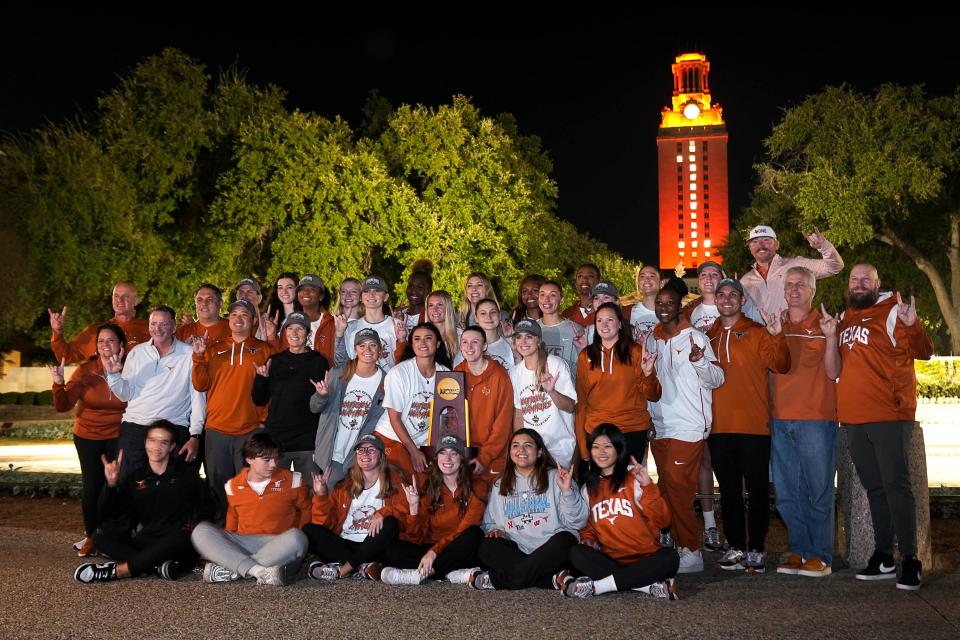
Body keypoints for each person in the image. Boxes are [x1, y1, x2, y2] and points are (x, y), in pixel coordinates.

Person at [835, 263, 934, 591]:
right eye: (854, 279)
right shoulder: (847, 315)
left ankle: (911, 559)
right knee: (875, 488)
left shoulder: (894, 310)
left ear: (878, 283)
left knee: (896, 486)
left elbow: (925, 352)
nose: (859, 283)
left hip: (889, 414)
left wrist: (913, 324)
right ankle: (884, 555)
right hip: (853, 417)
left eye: (867, 279)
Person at [706, 278, 790, 574]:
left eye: (733, 295)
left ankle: (755, 548)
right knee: (728, 491)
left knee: (756, 491)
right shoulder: (708, 335)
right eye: (721, 295)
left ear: (742, 301)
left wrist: (777, 336)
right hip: (719, 428)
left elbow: (781, 365)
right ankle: (735, 546)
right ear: (715, 301)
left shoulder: (757, 332)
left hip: (754, 426)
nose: (727, 299)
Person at [646, 279, 725, 573]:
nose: (664, 308)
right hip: (660, 426)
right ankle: (670, 543)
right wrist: (648, 417)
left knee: (679, 490)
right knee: (665, 488)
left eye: (669, 303)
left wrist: (700, 361)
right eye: (659, 303)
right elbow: (650, 381)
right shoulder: (652, 339)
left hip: (689, 426)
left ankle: (691, 551)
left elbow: (717, 379)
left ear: (680, 306)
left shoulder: (695, 337)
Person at [771, 267, 840, 578]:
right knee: (787, 491)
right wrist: (772, 337)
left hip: (816, 418)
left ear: (813, 291)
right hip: (780, 419)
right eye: (790, 285)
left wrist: (830, 337)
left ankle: (820, 554)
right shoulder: (776, 324)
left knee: (818, 488)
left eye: (801, 284)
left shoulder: (824, 323)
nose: (794, 289)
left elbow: (833, 372)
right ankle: (798, 549)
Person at [73, 421, 205, 583]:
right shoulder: (136, 477)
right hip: (148, 539)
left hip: (178, 542)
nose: (156, 447)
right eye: (152, 440)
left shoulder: (186, 476)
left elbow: (205, 510)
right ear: (145, 443)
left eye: (163, 442)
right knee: (100, 536)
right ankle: (156, 566)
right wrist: (111, 485)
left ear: (172, 447)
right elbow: (113, 515)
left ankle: (119, 571)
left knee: (185, 535)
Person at [561, 424, 679, 600]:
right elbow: (588, 529)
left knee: (670, 557)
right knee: (576, 553)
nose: (601, 452)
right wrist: (590, 540)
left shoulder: (635, 476)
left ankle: (598, 587)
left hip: (646, 558)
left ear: (618, 449)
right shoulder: (589, 488)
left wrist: (648, 487)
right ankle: (646, 586)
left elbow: (663, 521)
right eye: (595, 447)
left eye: (608, 446)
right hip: (611, 559)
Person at [468, 429, 587, 590]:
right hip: (518, 550)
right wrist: (497, 530)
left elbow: (577, 522)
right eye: (515, 445)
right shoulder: (500, 484)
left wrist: (567, 492)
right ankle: (552, 579)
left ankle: (499, 580)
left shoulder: (557, 477)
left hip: (551, 549)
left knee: (565, 540)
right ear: (510, 452)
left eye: (527, 445)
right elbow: (490, 523)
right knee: (486, 546)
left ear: (539, 452)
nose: (521, 450)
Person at [191, 433, 310, 586]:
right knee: (200, 531)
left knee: (298, 538)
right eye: (266, 460)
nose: (273, 464)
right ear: (249, 459)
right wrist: (226, 546)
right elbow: (232, 521)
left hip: (278, 543)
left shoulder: (294, 480)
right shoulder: (233, 485)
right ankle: (257, 571)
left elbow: (306, 513)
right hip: (243, 542)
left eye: (276, 459)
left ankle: (234, 568)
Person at [192, 299, 273, 523]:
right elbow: (200, 385)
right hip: (217, 428)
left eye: (244, 315)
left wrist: (263, 419)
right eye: (234, 314)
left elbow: (269, 389)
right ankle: (220, 532)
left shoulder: (263, 349)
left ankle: (246, 528)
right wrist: (198, 356)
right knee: (218, 484)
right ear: (229, 319)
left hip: (249, 429)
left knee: (247, 484)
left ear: (253, 321)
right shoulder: (213, 348)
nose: (238, 318)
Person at [51, 323, 127, 557]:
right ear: (96, 346)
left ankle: (113, 534)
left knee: (115, 485)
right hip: (88, 435)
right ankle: (92, 536)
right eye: (101, 341)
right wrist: (58, 383)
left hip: (119, 434)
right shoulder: (86, 371)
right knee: (92, 486)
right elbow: (63, 405)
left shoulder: (132, 369)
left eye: (111, 340)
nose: (105, 345)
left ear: (121, 345)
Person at [106, 306, 204, 478]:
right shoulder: (137, 352)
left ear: (174, 327)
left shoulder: (190, 354)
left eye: (163, 324)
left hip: (173, 429)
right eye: (153, 323)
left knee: (170, 489)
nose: (157, 329)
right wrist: (113, 376)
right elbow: (126, 394)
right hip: (134, 429)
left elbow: (198, 397)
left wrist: (195, 434)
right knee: (128, 485)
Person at [375, 436, 486, 585]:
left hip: (458, 546)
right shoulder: (429, 486)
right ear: (436, 458)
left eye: (453, 453)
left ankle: (419, 575)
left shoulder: (477, 486)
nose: (447, 458)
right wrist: (413, 508)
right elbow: (416, 538)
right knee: (392, 550)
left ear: (461, 459)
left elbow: (463, 530)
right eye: (442, 453)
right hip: (431, 547)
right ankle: (452, 573)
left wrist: (434, 553)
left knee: (474, 535)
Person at [303, 434, 406, 581]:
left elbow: (403, 512)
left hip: (374, 544)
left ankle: (344, 569)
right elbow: (325, 524)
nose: (365, 453)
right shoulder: (344, 485)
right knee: (309, 529)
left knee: (390, 523)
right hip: (346, 544)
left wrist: (383, 513)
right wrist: (321, 496)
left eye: (371, 450)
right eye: (360, 450)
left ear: (381, 455)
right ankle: (363, 567)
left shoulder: (395, 481)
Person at [574, 302, 661, 466]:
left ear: (620, 324)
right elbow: (582, 402)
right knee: (603, 489)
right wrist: (583, 448)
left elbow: (654, 395)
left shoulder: (636, 352)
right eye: (599, 320)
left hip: (632, 430)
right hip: (597, 431)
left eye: (610, 320)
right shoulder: (585, 356)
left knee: (629, 488)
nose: (604, 325)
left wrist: (648, 373)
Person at [252, 311, 330, 475]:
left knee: (310, 493)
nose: (294, 333)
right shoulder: (275, 361)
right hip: (277, 442)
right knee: (277, 493)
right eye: (290, 328)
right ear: (284, 332)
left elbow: (324, 403)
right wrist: (261, 379)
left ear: (308, 334)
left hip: (308, 442)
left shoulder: (318, 362)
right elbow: (258, 400)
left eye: (300, 329)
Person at [372, 323, 450, 482]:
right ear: (412, 344)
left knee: (431, 484)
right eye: (417, 339)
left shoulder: (447, 375)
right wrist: (414, 451)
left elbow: (445, 419)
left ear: (438, 343)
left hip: (423, 442)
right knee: (406, 485)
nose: (422, 343)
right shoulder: (399, 373)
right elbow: (395, 418)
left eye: (428, 338)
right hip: (392, 437)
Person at [312, 328, 387, 488]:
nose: (367, 350)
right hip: (329, 455)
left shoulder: (386, 382)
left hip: (360, 459)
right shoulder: (339, 374)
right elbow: (314, 407)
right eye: (362, 345)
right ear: (355, 349)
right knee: (326, 504)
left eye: (372, 345)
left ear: (379, 350)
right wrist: (321, 395)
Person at [510, 319, 577, 467]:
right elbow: (519, 413)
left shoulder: (555, 364)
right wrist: (518, 445)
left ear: (539, 341)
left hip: (559, 449)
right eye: (519, 337)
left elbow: (571, 407)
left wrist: (552, 391)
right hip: (531, 451)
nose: (524, 341)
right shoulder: (514, 372)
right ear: (514, 342)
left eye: (529, 336)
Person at [453, 326, 514, 487]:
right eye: (465, 342)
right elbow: (450, 417)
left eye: (475, 342)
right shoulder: (456, 374)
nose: (469, 347)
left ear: (484, 346)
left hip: (493, 455)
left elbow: (503, 424)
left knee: (490, 504)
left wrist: (484, 457)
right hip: (464, 453)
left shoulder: (500, 376)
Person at [740, 225, 844, 318]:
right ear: (750, 248)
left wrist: (824, 247)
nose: (761, 245)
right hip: (760, 338)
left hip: (792, 336)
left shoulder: (796, 265)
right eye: (755, 241)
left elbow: (834, 266)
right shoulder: (745, 281)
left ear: (777, 244)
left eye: (766, 240)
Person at [48, 281, 150, 364]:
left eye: (126, 296)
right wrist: (57, 332)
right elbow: (66, 357)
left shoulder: (151, 329)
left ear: (136, 300)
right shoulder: (96, 330)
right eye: (116, 296)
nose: (120, 300)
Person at [335, 275, 406, 372]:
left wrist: (402, 341)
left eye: (376, 290)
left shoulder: (397, 325)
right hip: (359, 384)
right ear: (361, 297)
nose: (371, 294)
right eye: (366, 291)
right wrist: (339, 334)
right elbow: (341, 363)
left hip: (389, 384)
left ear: (385, 297)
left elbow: (406, 363)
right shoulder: (350, 327)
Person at [537, 280, 586, 379]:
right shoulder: (532, 329)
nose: (546, 299)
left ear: (562, 300)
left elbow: (585, 366)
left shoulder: (576, 330)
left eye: (552, 295)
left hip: (566, 390)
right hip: (537, 391)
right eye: (542, 295)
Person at [455, 298, 515, 372]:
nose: (488, 317)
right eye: (483, 313)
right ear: (476, 318)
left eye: (493, 312)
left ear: (499, 316)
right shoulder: (467, 349)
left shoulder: (510, 345)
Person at [295, 274, 335, 363]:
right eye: (301, 289)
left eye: (312, 289)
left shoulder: (332, 324)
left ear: (321, 296)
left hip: (324, 375)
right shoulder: (291, 322)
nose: (305, 292)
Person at [396, 260, 434, 330]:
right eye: (411, 286)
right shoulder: (397, 314)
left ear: (429, 291)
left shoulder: (432, 317)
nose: (413, 291)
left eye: (420, 287)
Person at [426, 290, 460, 366]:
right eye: (431, 305)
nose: (435, 309)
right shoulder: (420, 335)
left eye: (440, 305)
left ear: (448, 307)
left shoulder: (461, 336)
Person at [561, 263, 601, 328]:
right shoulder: (567, 314)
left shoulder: (609, 311)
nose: (584, 279)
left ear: (598, 282)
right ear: (576, 283)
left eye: (590, 276)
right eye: (580, 276)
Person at [629, 265, 661, 340]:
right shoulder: (627, 313)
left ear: (661, 283)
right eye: (642, 276)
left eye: (652, 276)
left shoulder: (671, 314)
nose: (646, 279)